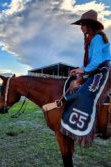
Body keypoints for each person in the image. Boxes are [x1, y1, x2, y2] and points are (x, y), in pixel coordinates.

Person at [60, 10, 111, 147]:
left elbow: (97, 61)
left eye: (82, 25)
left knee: (86, 94)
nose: (81, 28)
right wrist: (79, 69)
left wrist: (83, 70)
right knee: (81, 90)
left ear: (89, 25)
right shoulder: (92, 40)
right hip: (98, 70)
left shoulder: (97, 39)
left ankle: (96, 127)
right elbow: (90, 63)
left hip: (104, 71)